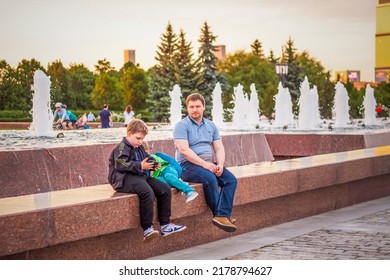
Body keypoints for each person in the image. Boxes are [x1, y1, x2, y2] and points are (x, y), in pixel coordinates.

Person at [108, 119, 186, 243]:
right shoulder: (122, 147)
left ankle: (165, 225)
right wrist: (140, 166)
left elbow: (146, 158)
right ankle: (147, 229)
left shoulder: (138, 147)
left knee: (164, 189)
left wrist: (153, 164)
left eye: (142, 139)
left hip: (138, 176)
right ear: (129, 134)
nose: (140, 142)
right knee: (147, 192)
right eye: (138, 138)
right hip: (123, 178)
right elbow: (120, 163)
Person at [173, 93, 238, 232]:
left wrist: (220, 164)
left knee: (230, 180)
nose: (194, 109)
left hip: (208, 163)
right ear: (187, 108)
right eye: (191, 107)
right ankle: (221, 215)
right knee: (210, 179)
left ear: (204, 107)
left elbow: (219, 147)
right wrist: (204, 164)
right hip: (186, 165)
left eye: (197, 106)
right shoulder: (181, 126)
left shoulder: (211, 126)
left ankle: (222, 215)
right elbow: (184, 150)